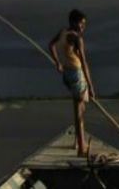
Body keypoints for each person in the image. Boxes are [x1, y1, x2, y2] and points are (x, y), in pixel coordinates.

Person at [48, 9, 95, 157]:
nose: (83, 27)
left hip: (67, 75)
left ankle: (77, 142)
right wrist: (91, 87)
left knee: (81, 109)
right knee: (78, 112)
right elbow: (84, 63)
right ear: (73, 22)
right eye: (81, 24)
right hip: (76, 74)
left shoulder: (63, 33)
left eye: (84, 24)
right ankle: (81, 150)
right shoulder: (76, 38)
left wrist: (58, 63)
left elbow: (51, 45)